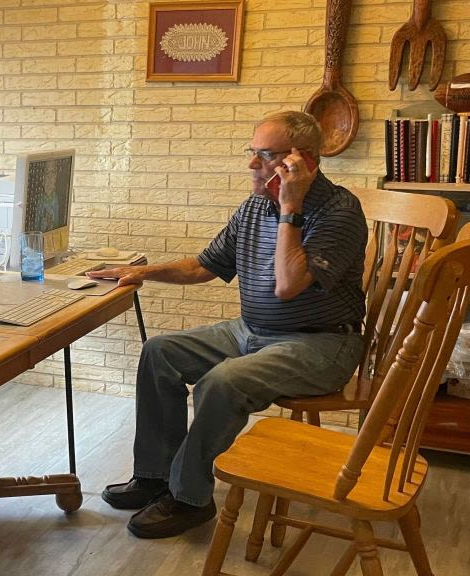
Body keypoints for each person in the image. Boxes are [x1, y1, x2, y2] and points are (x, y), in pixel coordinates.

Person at [93, 111, 367, 539]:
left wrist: (290, 207)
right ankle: (155, 475)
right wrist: (141, 272)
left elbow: (288, 286)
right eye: (251, 153)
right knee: (160, 352)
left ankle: (189, 498)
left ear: (305, 161)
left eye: (264, 155)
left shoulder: (339, 211)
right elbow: (205, 266)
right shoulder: (254, 207)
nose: (252, 165)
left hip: (321, 345)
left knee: (222, 382)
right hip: (251, 332)